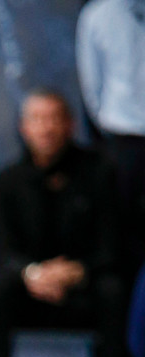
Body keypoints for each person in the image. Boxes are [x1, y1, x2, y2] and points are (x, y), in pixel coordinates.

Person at [0, 89, 130, 357]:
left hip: (85, 288)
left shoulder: (99, 172)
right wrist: (33, 274)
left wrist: (75, 272)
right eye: (37, 119)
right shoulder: (9, 180)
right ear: (24, 127)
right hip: (30, 291)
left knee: (116, 292)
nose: (46, 128)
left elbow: (113, 244)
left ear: (69, 125)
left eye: (53, 119)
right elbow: (0, 254)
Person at [76, 0, 145, 267]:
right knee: (122, 235)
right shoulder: (99, 14)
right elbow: (91, 84)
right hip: (122, 137)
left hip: (122, 135)